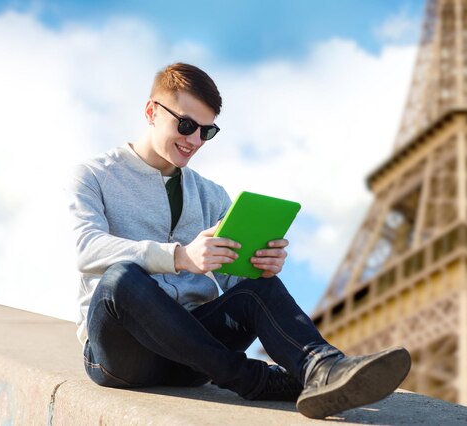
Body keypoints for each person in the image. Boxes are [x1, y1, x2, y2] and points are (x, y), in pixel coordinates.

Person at [67, 62, 411, 419]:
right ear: (152, 111)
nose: (195, 141)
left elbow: (233, 280)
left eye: (207, 131)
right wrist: (181, 257)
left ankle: (323, 368)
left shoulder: (212, 195)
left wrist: (259, 266)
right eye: (186, 125)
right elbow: (87, 248)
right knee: (121, 279)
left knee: (261, 290)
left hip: (193, 359)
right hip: (123, 357)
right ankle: (255, 379)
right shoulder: (94, 176)